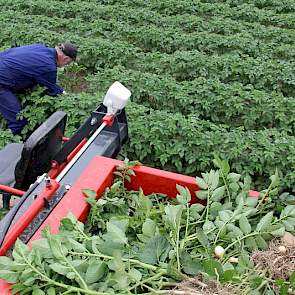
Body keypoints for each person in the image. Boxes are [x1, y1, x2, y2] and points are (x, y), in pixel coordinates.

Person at [0, 42, 78, 135]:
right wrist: (68, 97)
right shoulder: (49, 67)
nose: (65, 65)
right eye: (68, 63)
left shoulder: (40, 47)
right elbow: (52, 89)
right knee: (18, 121)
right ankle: (10, 143)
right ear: (66, 59)